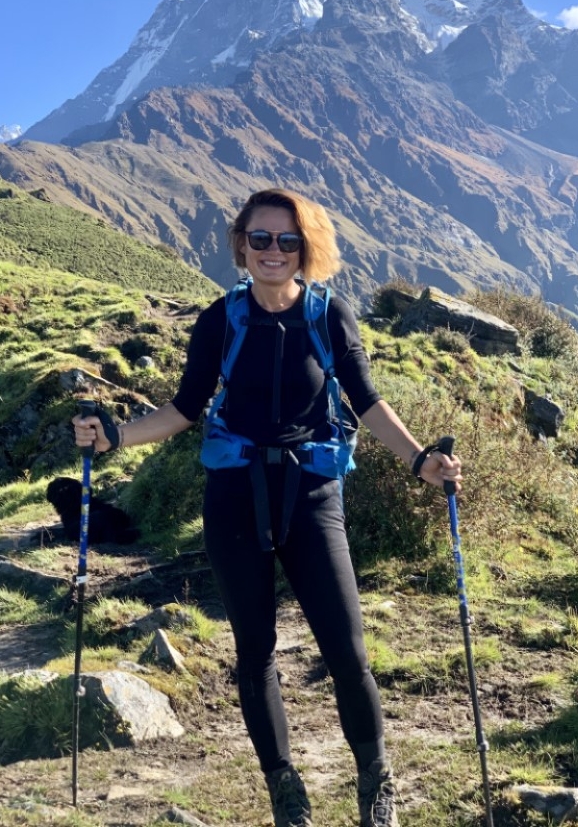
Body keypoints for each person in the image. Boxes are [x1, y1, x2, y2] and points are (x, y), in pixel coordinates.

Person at [73, 187, 462, 827]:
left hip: (312, 496)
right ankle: (286, 792)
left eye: (286, 240)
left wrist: (421, 462)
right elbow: (184, 408)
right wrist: (114, 435)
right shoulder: (219, 319)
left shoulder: (329, 316)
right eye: (260, 239)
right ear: (241, 246)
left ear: (306, 247)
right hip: (233, 498)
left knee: (347, 651)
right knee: (254, 651)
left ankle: (375, 786)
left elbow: (367, 401)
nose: (273, 252)